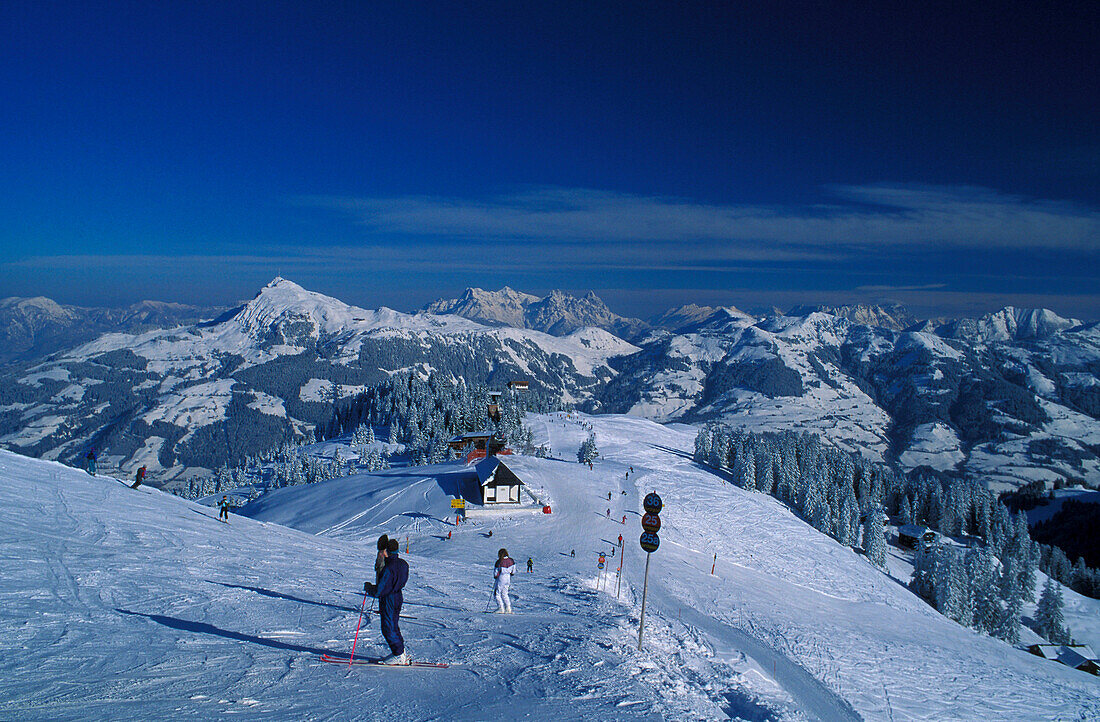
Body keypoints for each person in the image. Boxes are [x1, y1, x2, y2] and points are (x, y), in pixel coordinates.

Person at [365, 538, 410, 664]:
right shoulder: (403, 564)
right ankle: (401, 653)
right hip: (398, 597)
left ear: (387, 551)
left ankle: (398, 654)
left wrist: (369, 588)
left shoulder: (388, 568)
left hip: (388, 599)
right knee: (394, 625)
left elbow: (381, 590)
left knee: (388, 627)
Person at [493, 548, 516, 613]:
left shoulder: (499, 561)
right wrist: (511, 573)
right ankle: (508, 608)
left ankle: (501, 608)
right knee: (505, 593)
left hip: (501, 577)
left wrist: (495, 576)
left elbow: (496, 572)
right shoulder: (511, 560)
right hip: (508, 577)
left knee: (497, 593)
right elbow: (513, 570)